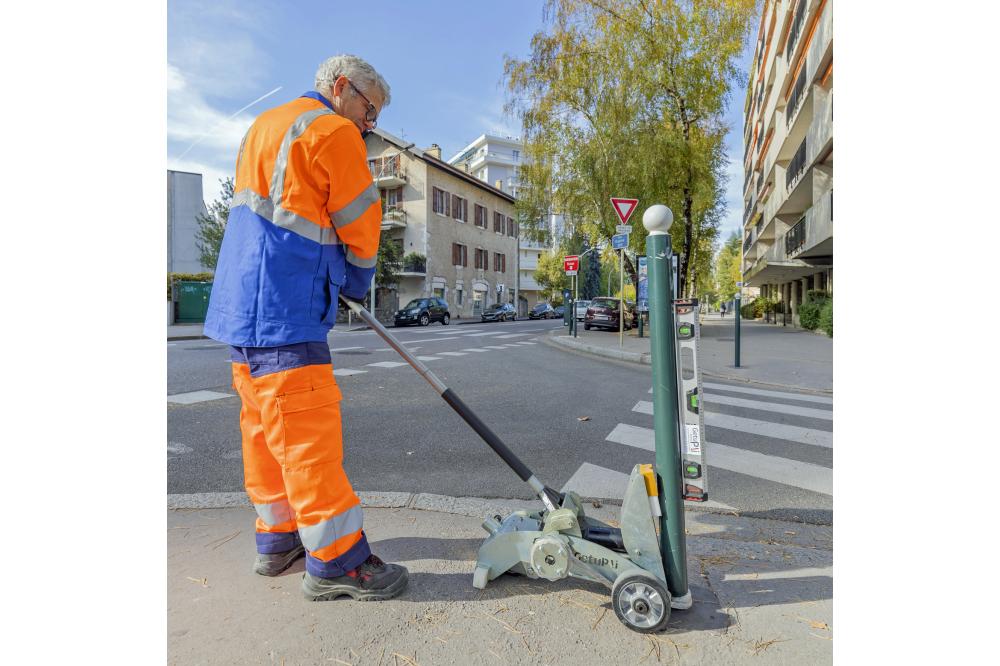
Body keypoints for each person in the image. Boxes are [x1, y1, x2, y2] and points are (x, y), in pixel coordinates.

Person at [204, 55, 408, 602]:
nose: (369, 124)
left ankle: (278, 540)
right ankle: (338, 561)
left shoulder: (264, 126)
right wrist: (356, 283)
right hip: (287, 308)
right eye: (369, 109)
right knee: (306, 438)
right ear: (341, 88)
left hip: (244, 311)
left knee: (264, 435)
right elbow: (361, 221)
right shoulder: (332, 131)